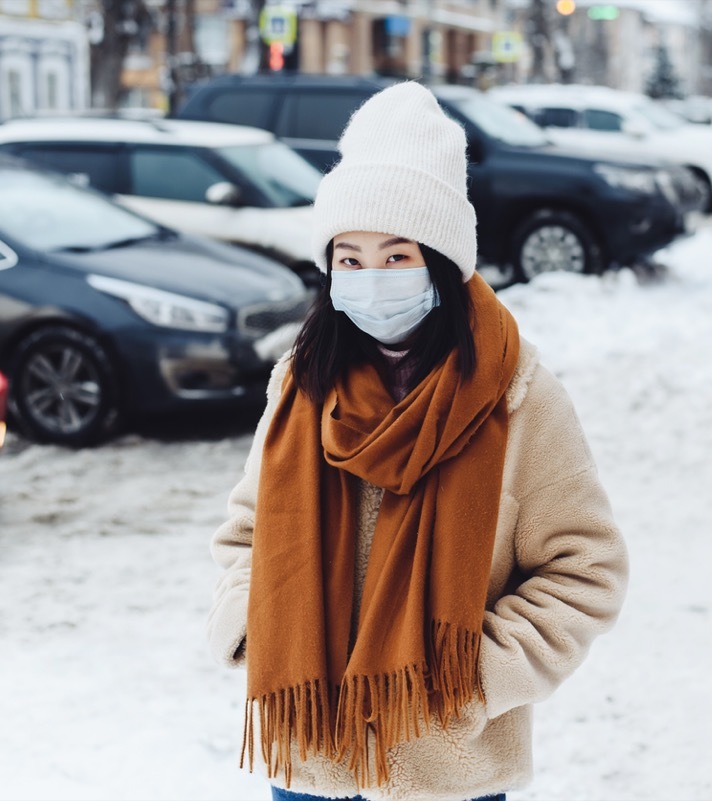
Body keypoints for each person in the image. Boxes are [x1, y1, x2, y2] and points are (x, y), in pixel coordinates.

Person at [206, 81, 629, 801]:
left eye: (397, 256)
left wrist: (470, 678)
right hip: (312, 752)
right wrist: (254, 630)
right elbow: (247, 535)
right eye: (350, 257)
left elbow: (585, 570)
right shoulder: (301, 383)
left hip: (447, 766)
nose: (371, 277)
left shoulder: (517, 395)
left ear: (439, 262)